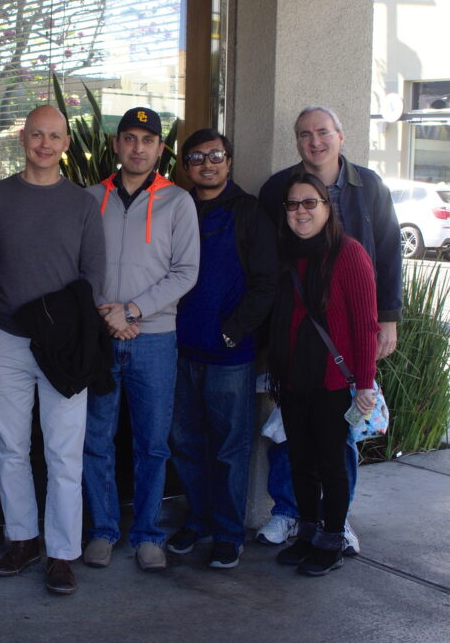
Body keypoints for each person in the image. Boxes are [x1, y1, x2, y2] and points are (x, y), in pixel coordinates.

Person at [257, 106, 402, 553]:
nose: (314, 141)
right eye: (305, 134)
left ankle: (336, 525)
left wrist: (387, 321)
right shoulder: (278, 188)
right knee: (292, 442)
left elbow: (390, 253)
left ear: (341, 136)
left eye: (323, 132)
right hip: (294, 353)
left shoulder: (367, 189)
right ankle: (293, 515)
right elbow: (264, 264)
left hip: (339, 351)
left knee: (336, 445)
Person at [0, 105, 105, 594]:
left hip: (64, 348)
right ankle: (22, 539)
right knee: (10, 447)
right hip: (6, 337)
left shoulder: (82, 204)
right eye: (37, 134)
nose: (45, 144)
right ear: (23, 137)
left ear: (67, 144)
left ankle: (62, 553)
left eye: (55, 136)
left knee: (63, 453)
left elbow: (92, 278)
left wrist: (74, 333)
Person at [82, 107, 199, 573]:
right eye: (129, 138)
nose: (137, 148)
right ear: (116, 145)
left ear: (159, 149)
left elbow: (186, 272)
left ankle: (149, 533)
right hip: (100, 337)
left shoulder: (177, 202)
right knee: (97, 439)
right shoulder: (90, 198)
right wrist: (107, 314)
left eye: (146, 140)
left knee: (152, 443)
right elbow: (79, 267)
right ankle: (103, 531)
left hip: (154, 340)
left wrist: (132, 311)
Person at [167, 129, 277, 569]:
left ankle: (229, 532)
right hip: (178, 352)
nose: (207, 164)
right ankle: (200, 518)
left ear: (229, 162)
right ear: (185, 165)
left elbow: (266, 283)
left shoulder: (250, 212)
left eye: (216, 155)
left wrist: (235, 331)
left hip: (230, 356)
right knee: (185, 442)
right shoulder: (176, 208)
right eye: (197, 157)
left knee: (230, 449)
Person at [267, 173, 378, 576]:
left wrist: (365, 382)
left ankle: (332, 539)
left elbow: (366, 324)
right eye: (293, 204)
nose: (301, 211)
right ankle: (308, 534)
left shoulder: (348, 253)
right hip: (294, 378)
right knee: (300, 461)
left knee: (331, 464)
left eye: (309, 203)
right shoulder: (287, 254)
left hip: (332, 381)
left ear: (327, 207)